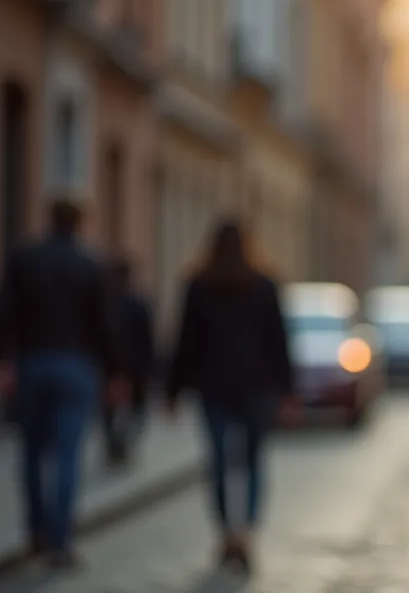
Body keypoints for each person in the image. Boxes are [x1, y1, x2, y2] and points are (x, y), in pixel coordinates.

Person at [0, 198, 128, 569]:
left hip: (32, 364)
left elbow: (1, 310)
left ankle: (36, 530)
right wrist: (115, 373)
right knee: (68, 454)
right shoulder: (91, 266)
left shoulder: (24, 259)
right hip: (77, 367)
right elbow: (106, 326)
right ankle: (59, 540)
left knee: (32, 453)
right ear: (81, 222)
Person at [166, 220, 297, 573]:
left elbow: (185, 342)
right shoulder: (264, 284)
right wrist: (287, 391)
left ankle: (227, 532)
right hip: (258, 387)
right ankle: (246, 533)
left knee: (219, 462)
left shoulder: (198, 285)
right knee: (253, 461)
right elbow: (278, 341)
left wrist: (172, 390)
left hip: (214, 386)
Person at [101, 258, 155, 467]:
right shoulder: (138, 304)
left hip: (111, 367)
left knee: (110, 411)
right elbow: (147, 339)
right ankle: (124, 446)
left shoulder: (107, 303)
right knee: (137, 411)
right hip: (135, 367)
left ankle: (115, 447)